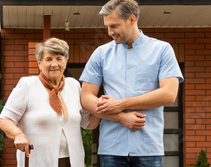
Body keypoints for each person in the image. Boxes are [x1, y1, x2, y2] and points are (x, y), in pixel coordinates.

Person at [79, 0, 184, 166]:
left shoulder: (162, 50)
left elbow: (169, 93)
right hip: (111, 147)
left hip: (147, 147)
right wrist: (121, 117)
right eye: (107, 26)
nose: (109, 32)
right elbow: (86, 97)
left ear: (132, 20)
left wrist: (121, 104)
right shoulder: (101, 53)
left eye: (114, 26)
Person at [0, 37, 100, 167]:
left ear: (66, 62)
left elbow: (88, 123)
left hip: (72, 161)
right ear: (39, 63)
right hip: (38, 160)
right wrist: (18, 135)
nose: (54, 64)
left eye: (59, 58)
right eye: (48, 59)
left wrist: (100, 106)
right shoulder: (27, 85)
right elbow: (5, 119)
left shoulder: (74, 86)